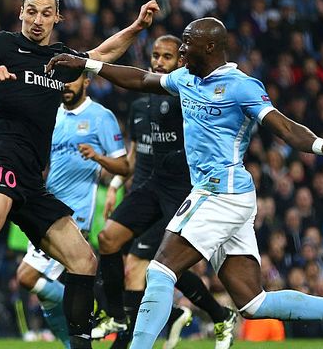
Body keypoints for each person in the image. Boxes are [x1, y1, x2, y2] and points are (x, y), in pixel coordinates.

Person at [45, 17, 323, 349]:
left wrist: (321, 146)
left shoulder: (242, 86)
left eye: (187, 43)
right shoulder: (186, 78)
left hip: (220, 192)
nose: (181, 51)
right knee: (253, 302)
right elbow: (139, 79)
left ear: (210, 46)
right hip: (223, 196)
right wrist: (87, 64)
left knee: (161, 271)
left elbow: (283, 127)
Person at [0, 0, 159, 348]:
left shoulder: (60, 59)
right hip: (2, 153)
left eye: (45, 13)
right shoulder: (2, 45)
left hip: (33, 180)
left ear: (58, 17)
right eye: (31, 11)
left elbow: (103, 53)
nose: (37, 20)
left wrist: (136, 27)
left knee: (84, 260)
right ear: (20, 13)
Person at [94, 35, 237, 349]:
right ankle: (119, 316)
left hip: (180, 193)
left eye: (167, 57)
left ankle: (129, 340)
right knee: (108, 240)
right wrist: (115, 186)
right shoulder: (138, 107)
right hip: (147, 187)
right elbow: (133, 156)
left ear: (180, 63)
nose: (159, 61)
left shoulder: (186, 99)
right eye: (156, 55)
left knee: (143, 268)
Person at [15, 72, 129, 348]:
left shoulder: (101, 117)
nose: (66, 85)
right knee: (40, 288)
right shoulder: (53, 116)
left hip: (74, 215)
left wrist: (98, 157)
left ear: (86, 81)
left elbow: (124, 167)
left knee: (27, 276)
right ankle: (77, 325)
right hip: (48, 210)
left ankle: (88, 304)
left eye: (73, 79)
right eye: (62, 80)